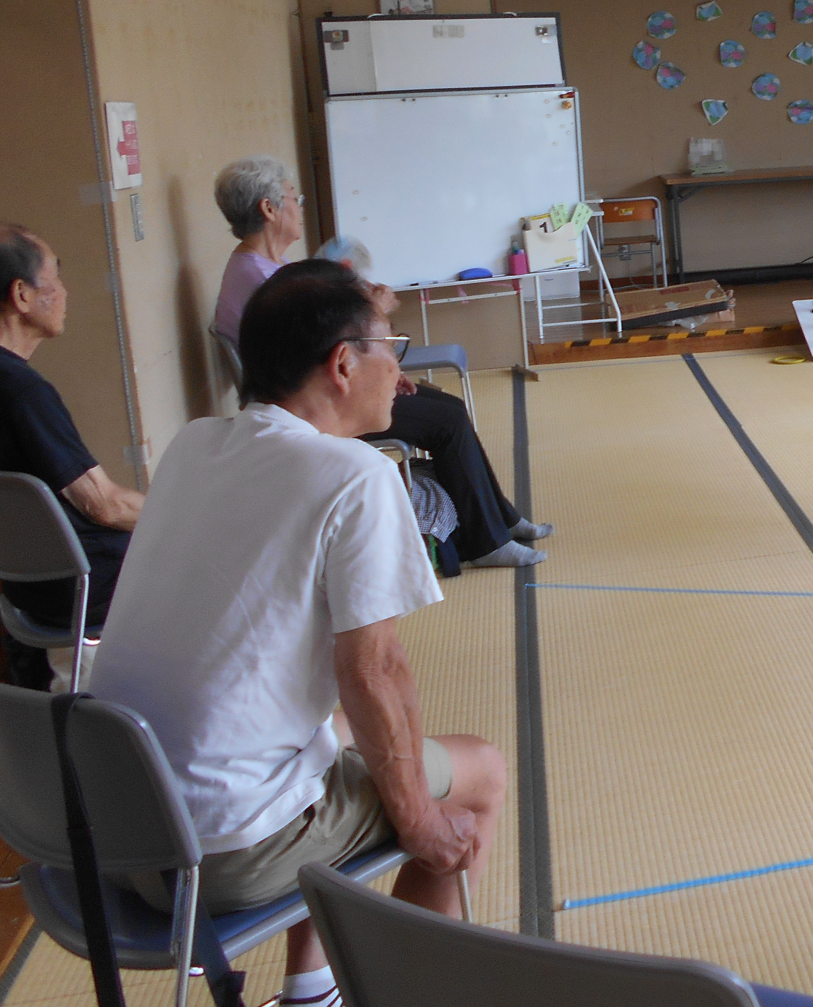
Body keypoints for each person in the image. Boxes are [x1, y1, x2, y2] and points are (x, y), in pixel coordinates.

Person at [91, 260, 507, 1007]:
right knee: (478, 773)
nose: (402, 375)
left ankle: (313, 987)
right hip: (219, 850)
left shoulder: (194, 444)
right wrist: (420, 821)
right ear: (344, 364)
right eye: (392, 349)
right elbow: (375, 673)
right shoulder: (355, 477)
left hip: (114, 823)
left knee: (339, 736)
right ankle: (399, 991)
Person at [212, 156, 550, 568]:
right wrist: (373, 309)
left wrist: (386, 369)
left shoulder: (266, 269)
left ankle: (501, 518)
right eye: (292, 198)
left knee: (449, 407)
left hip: (326, 386)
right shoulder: (260, 279)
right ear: (268, 208)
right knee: (446, 422)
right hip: (315, 405)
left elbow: (329, 343)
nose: (298, 207)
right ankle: (485, 543)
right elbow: (326, 347)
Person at [0, 225, 143, 690]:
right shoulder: (22, 392)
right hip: (80, 590)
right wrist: (180, 514)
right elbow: (102, 504)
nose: (64, 292)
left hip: (22, 586)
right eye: (55, 277)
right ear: (22, 295)